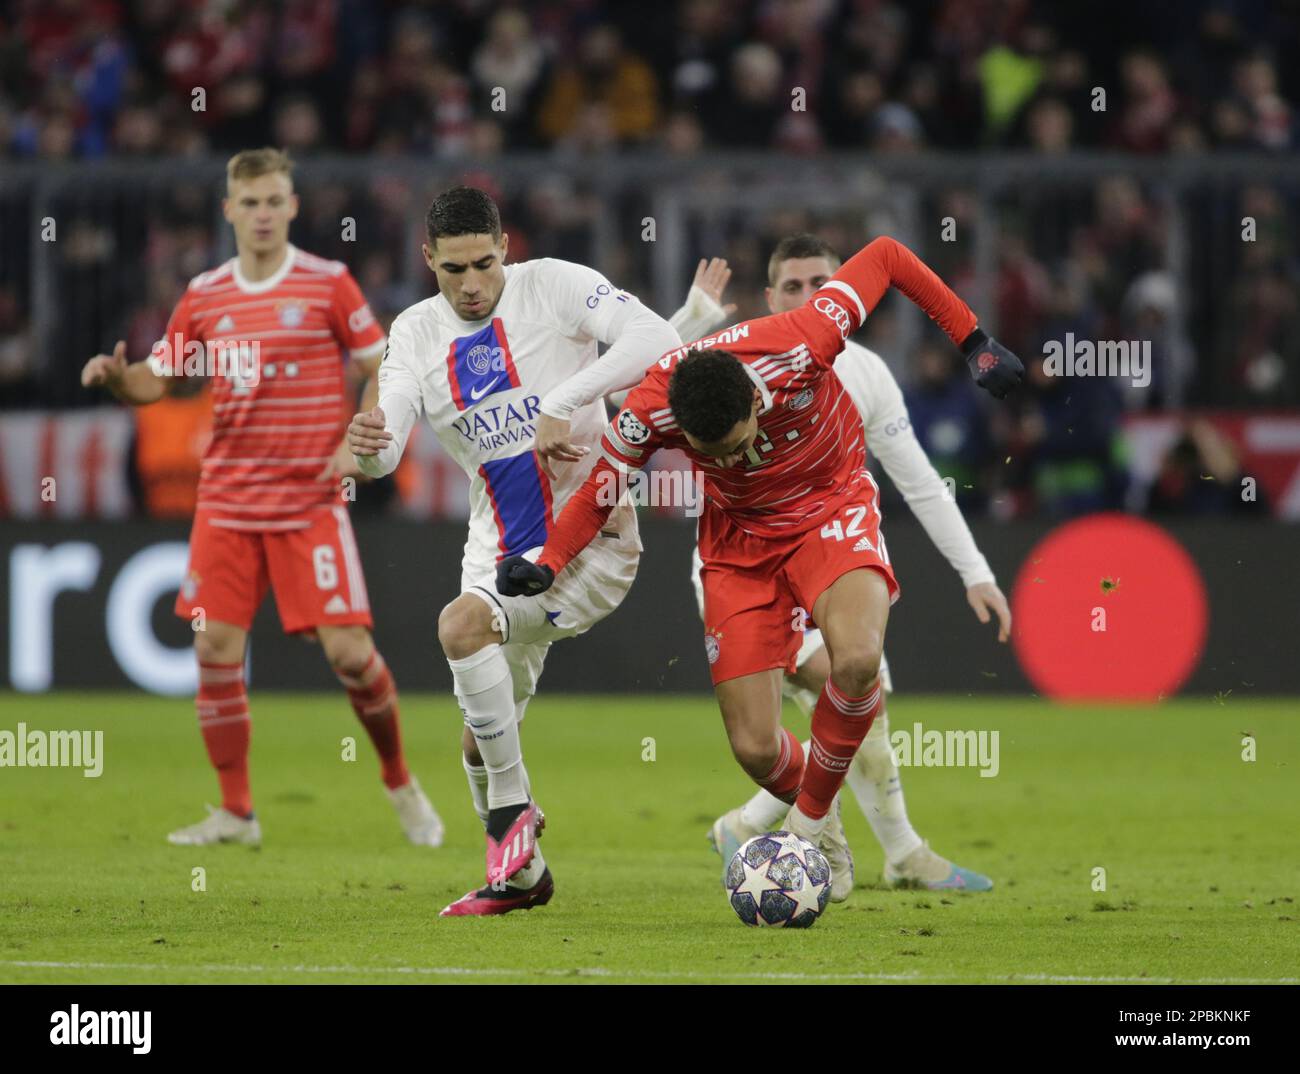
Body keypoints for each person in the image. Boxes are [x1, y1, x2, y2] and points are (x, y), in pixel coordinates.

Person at [498, 233, 1024, 898]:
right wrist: (548, 563)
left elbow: (888, 256)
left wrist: (973, 339)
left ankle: (808, 832)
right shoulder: (650, 408)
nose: (734, 456)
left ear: (754, 400)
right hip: (740, 548)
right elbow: (602, 487)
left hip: (830, 512)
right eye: (708, 452)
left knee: (857, 663)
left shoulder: (806, 339)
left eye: (739, 441)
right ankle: (822, 831)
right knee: (753, 746)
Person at [81, 148, 441, 849]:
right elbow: (170, 380)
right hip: (227, 501)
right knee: (214, 645)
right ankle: (237, 812)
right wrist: (121, 381)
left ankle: (399, 779)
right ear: (229, 211)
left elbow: (381, 366)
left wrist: (361, 438)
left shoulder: (328, 284)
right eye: (250, 203)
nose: (264, 214)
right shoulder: (206, 293)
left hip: (309, 500)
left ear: (293, 206)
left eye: (275, 200)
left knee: (349, 654)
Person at [347, 186, 680, 916]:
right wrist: (367, 449)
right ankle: (523, 879)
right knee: (478, 737)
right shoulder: (413, 333)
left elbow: (658, 341)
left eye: (486, 264)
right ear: (427, 258)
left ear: (508, 248)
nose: (472, 285)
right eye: (454, 269)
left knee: (459, 627)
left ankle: (509, 814)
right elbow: (385, 446)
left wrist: (566, 400)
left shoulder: (554, 286)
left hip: (590, 540)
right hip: (495, 547)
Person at [671, 236, 1007, 895]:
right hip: (745, 570)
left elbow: (916, 479)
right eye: (791, 288)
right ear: (769, 300)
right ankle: (849, 840)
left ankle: (772, 829)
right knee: (849, 684)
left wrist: (975, 572)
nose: (806, 297)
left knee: (861, 679)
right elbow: (651, 386)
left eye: (819, 283)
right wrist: (689, 324)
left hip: (821, 557)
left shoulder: (866, 372)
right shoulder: (733, 365)